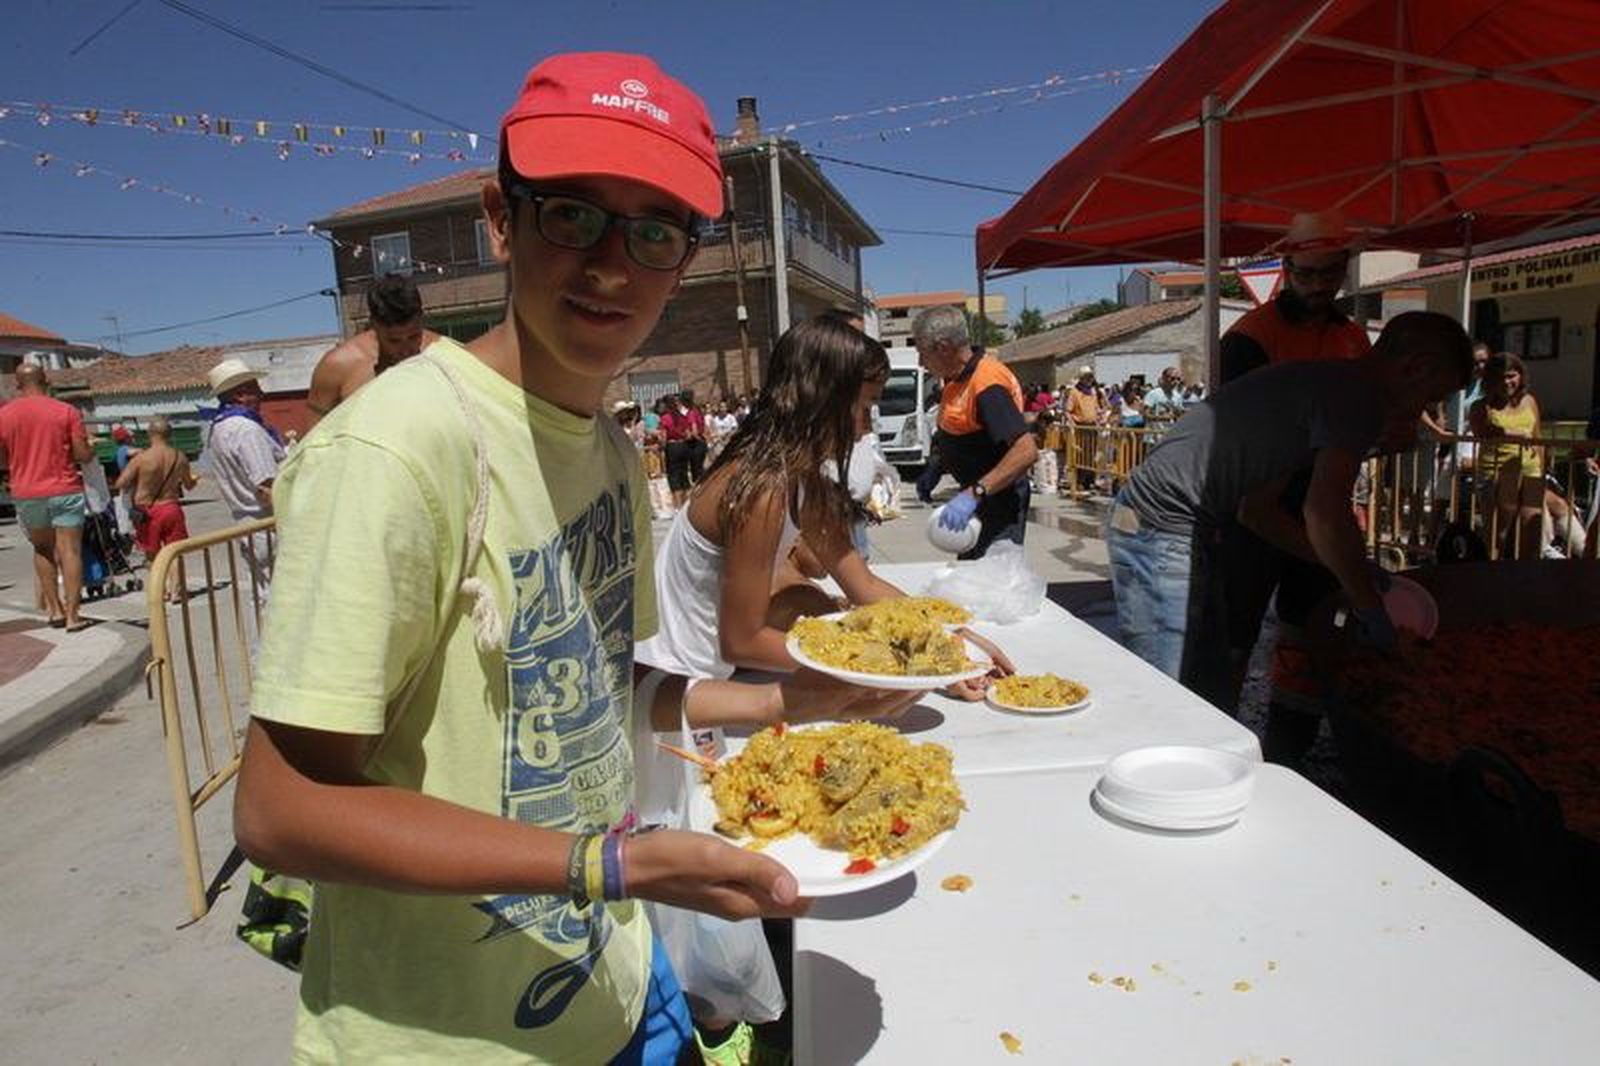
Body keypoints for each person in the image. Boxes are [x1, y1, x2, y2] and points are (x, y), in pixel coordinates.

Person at [233, 51, 914, 1065]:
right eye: (572, 214)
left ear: (686, 256)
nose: (610, 265)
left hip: (615, 977)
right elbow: (281, 809)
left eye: (654, 231)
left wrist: (788, 700)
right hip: (452, 1035)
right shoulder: (393, 450)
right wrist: (610, 867)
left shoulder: (606, 450)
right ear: (500, 220)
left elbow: (593, 683)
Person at [1106, 312, 1474, 720]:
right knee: (1166, 689)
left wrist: (1348, 567)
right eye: (1432, 397)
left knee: (1208, 681)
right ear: (1416, 368)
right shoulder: (1358, 397)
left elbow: (1258, 513)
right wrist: (1368, 604)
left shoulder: (1321, 389)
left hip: (1174, 521)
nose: (1424, 411)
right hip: (1159, 522)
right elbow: (1326, 515)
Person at [1213, 209, 1375, 765]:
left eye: (1328, 273)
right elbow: (1242, 433)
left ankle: (1290, 744)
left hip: (1322, 497)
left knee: (1308, 628)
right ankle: (1217, 738)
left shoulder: (1353, 338)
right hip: (1256, 500)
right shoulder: (1250, 337)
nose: (1316, 285)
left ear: (1344, 271)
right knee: (1235, 632)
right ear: (1286, 270)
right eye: (1306, 274)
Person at [913, 306, 1038, 560]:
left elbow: (1026, 451)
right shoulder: (956, 380)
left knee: (992, 576)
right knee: (969, 572)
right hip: (977, 500)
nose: (920, 363)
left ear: (943, 348)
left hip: (998, 502)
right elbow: (958, 431)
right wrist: (936, 468)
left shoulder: (987, 384)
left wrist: (975, 493)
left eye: (922, 353)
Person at [0, 364, 94, 631]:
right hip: (64, 488)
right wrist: (90, 451)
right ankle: (74, 616)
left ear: (18, 385)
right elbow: (81, 455)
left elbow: (2, 460)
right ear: (46, 380)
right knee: (70, 551)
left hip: (27, 491)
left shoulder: (4, 415)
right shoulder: (66, 411)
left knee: (42, 549)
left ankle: (54, 610)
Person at [305, 273, 440, 430]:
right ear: (373, 325)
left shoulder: (442, 354)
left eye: (414, 337)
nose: (406, 351)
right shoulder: (337, 367)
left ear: (422, 319)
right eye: (394, 341)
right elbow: (312, 437)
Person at [202, 359, 284, 607]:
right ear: (240, 394)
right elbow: (266, 486)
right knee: (280, 600)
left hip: (248, 524)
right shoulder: (246, 430)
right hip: (267, 524)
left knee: (264, 596)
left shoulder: (218, 428)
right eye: (256, 389)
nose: (262, 394)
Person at [114, 415, 198, 601]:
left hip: (148, 511)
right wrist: (194, 480)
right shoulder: (180, 457)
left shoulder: (141, 459)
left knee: (152, 554)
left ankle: (161, 591)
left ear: (150, 434)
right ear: (169, 435)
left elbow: (121, 483)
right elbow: (189, 485)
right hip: (172, 507)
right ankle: (177, 590)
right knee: (175, 552)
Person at [1469, 351, 1544, 559]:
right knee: (1499, 534)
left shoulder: (1530, 401)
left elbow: (1538, 437)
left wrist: (1543, 470)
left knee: (1531, 529)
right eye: (1500, 377)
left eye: (1511, 376)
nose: (1506, 382)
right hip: (1496, 474)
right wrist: (1514, 434)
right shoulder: (1481, 406)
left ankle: (1527, 574)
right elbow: (1481, 432)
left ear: (1520, 376)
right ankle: (1493, 572)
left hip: (1530, 472)